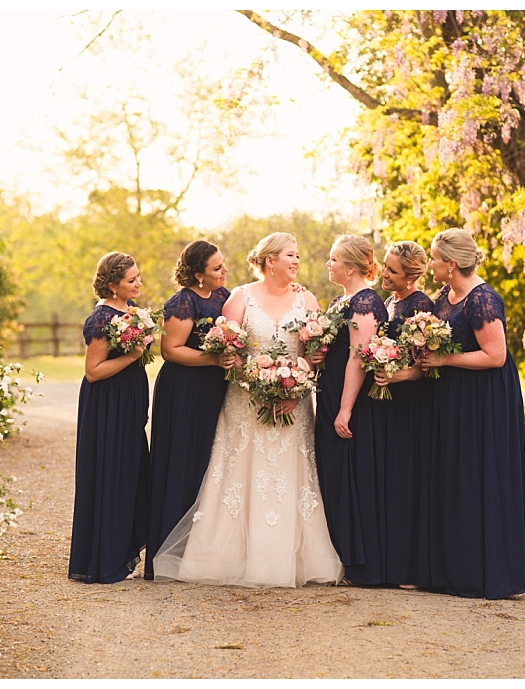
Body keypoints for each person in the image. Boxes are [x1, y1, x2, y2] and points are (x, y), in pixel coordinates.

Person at [153, 232, 343, 588]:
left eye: (298, 255)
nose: (297, 261)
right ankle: (225, 557)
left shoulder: (307, 299)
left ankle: (292, 559)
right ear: (270, 261)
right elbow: (230, 350)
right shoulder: (240, 297)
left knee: (290, 476)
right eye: (290, 255)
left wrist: (297, 386)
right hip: (246, 401)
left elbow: (314, 353)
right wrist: (259, 386)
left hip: (294, 404)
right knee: (239, 473)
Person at [420, 228, 525, 599]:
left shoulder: (482, 299)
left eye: (434, 258)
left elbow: (495, 356)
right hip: (454, 395)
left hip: (484, 399)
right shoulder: (445, 295)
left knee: (478, 474)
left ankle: (485, 573)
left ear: (451, 264)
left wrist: (444, 359)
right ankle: (454, 569)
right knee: (455, 476)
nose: (430, 264)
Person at [144, 241, 234, 580]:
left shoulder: (225, 296)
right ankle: (167, 555)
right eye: (216, 268)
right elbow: (171, 350)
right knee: (181, 461)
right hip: (184, 390)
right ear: (198, 275)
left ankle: (200, 549)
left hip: (214, 388)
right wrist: (213, 359)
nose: (224, 271)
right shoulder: (182, 302)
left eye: (223, 265)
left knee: (210, 461)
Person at [68, 252, 151, 584]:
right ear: (112, 285)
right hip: (107, 406)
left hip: (127, 404)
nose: (139, 283)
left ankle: (121, 550)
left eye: (138, 276)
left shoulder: (131, 312)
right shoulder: (102, 318)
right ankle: (105, 559)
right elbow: (93, 371)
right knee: (111, 473)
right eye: (132, 279)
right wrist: (132, 356)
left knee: (130, 473)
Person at [314, 234, 389, 586]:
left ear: (351, 267)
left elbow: (358, 359)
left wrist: (345, 409)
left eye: (334, 259)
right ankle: (336, 553)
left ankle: (357, 560)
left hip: (353, 400)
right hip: (330, 391)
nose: (329, 264)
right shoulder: (339, 301)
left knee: (349, 472)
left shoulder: (365, 302)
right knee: (331, 472)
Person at [372, 241, 436, 589]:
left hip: (411, 405)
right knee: (390, 479)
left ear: (410, 277)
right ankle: (388, 562)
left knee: (407, 481)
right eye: (385, 265)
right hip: (388, 402)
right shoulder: (388, 302)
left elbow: (427, 364)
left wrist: (400, 376)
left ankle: (410, 567)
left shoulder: (421, 305)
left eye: (392, 270)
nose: (384, 273)